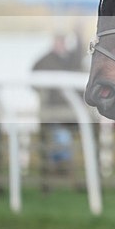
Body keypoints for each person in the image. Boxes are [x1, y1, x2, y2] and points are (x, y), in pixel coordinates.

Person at [32, 33, 83, 179]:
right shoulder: (45, 61)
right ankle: (61, 167)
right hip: (53, 109)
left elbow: (80, 54)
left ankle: (59, 167)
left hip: (71, 111)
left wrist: (78, 32)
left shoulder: (70, 59)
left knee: (62, 136)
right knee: (61, 136)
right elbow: (33, 78)